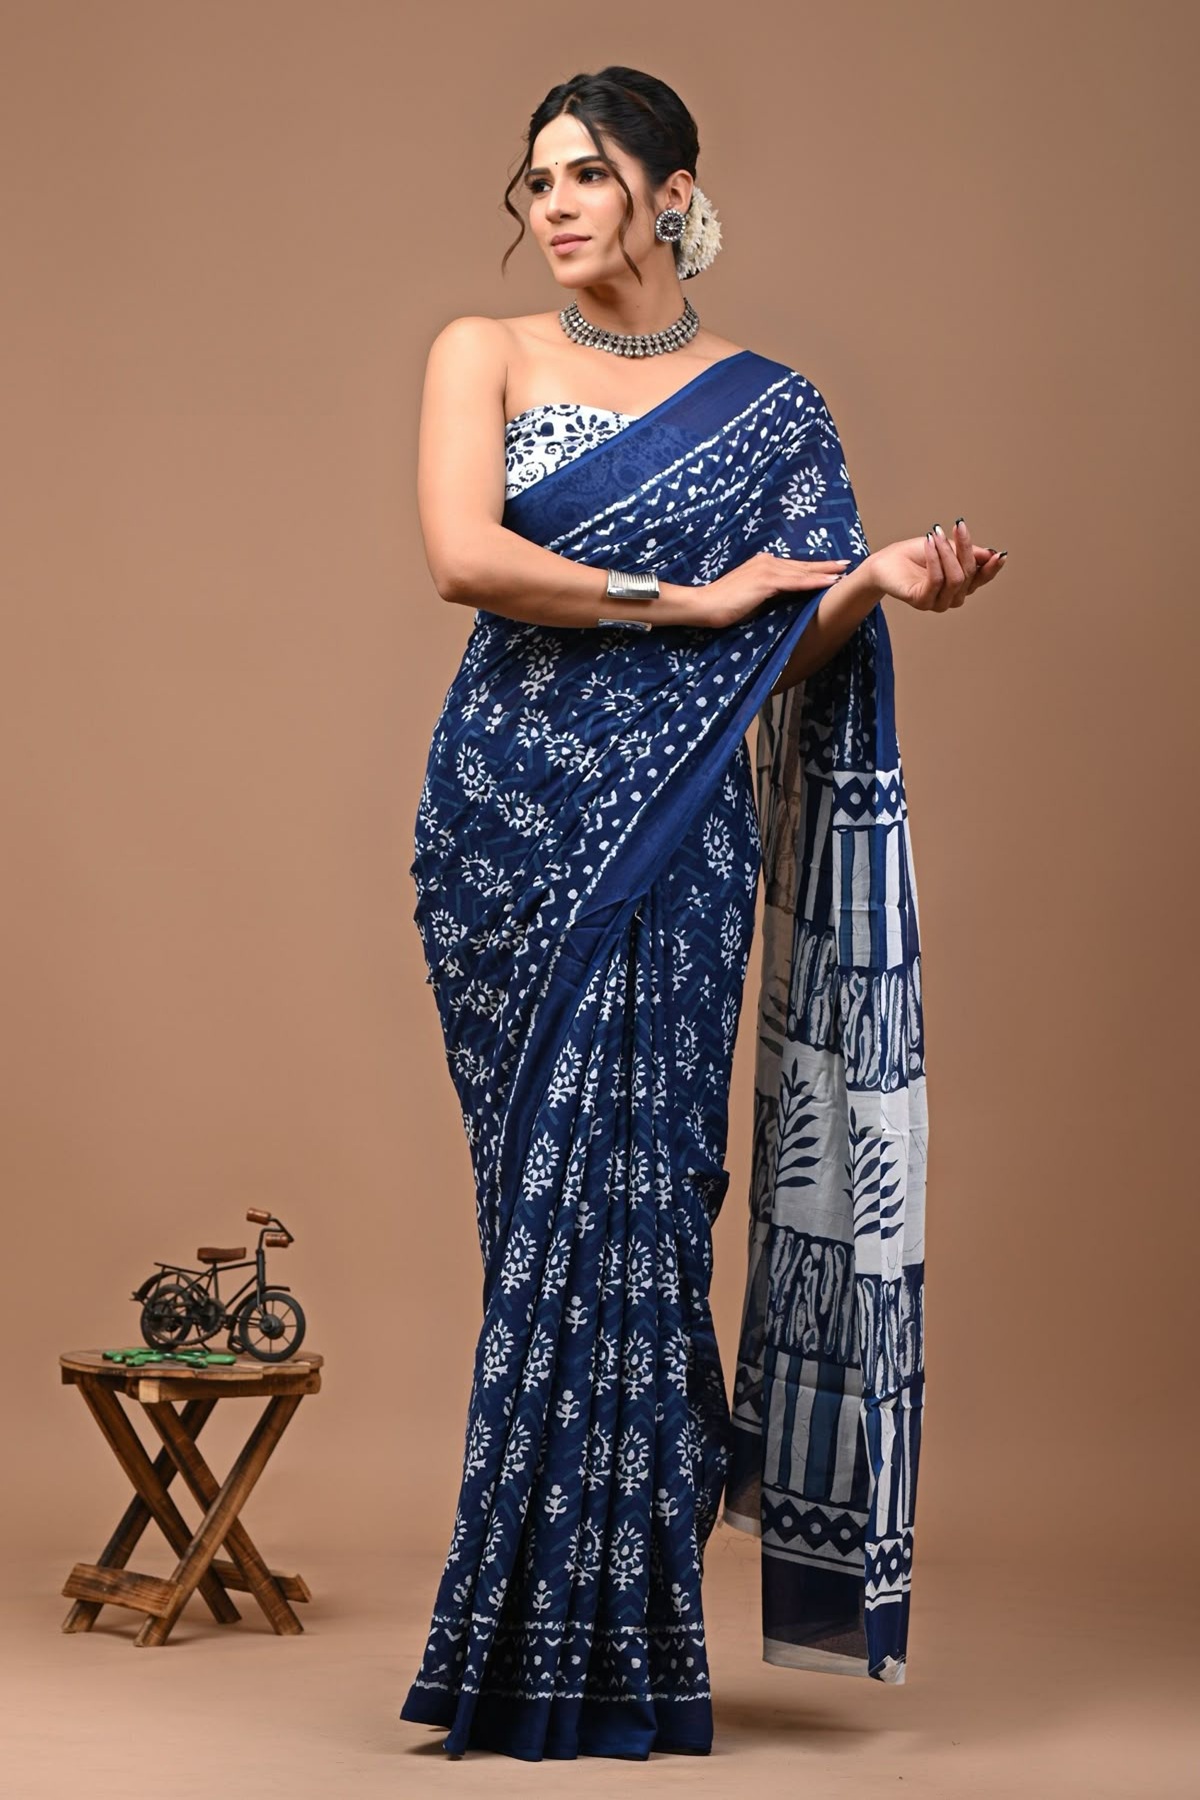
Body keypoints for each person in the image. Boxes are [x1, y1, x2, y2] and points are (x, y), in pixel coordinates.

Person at [398, 65, 1006, 1764]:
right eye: (535, 181)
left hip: (677, 840)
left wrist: (873, 582)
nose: (555, 205)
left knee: (645, 1211)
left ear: (673, 192)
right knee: (543, 1213)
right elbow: (464, 559)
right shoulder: (483, 352)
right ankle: (531, 1636)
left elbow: (785, 638)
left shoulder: (774, 407)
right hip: (507, 828)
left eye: (589, 174)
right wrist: (690, 595)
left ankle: (615, 1643)